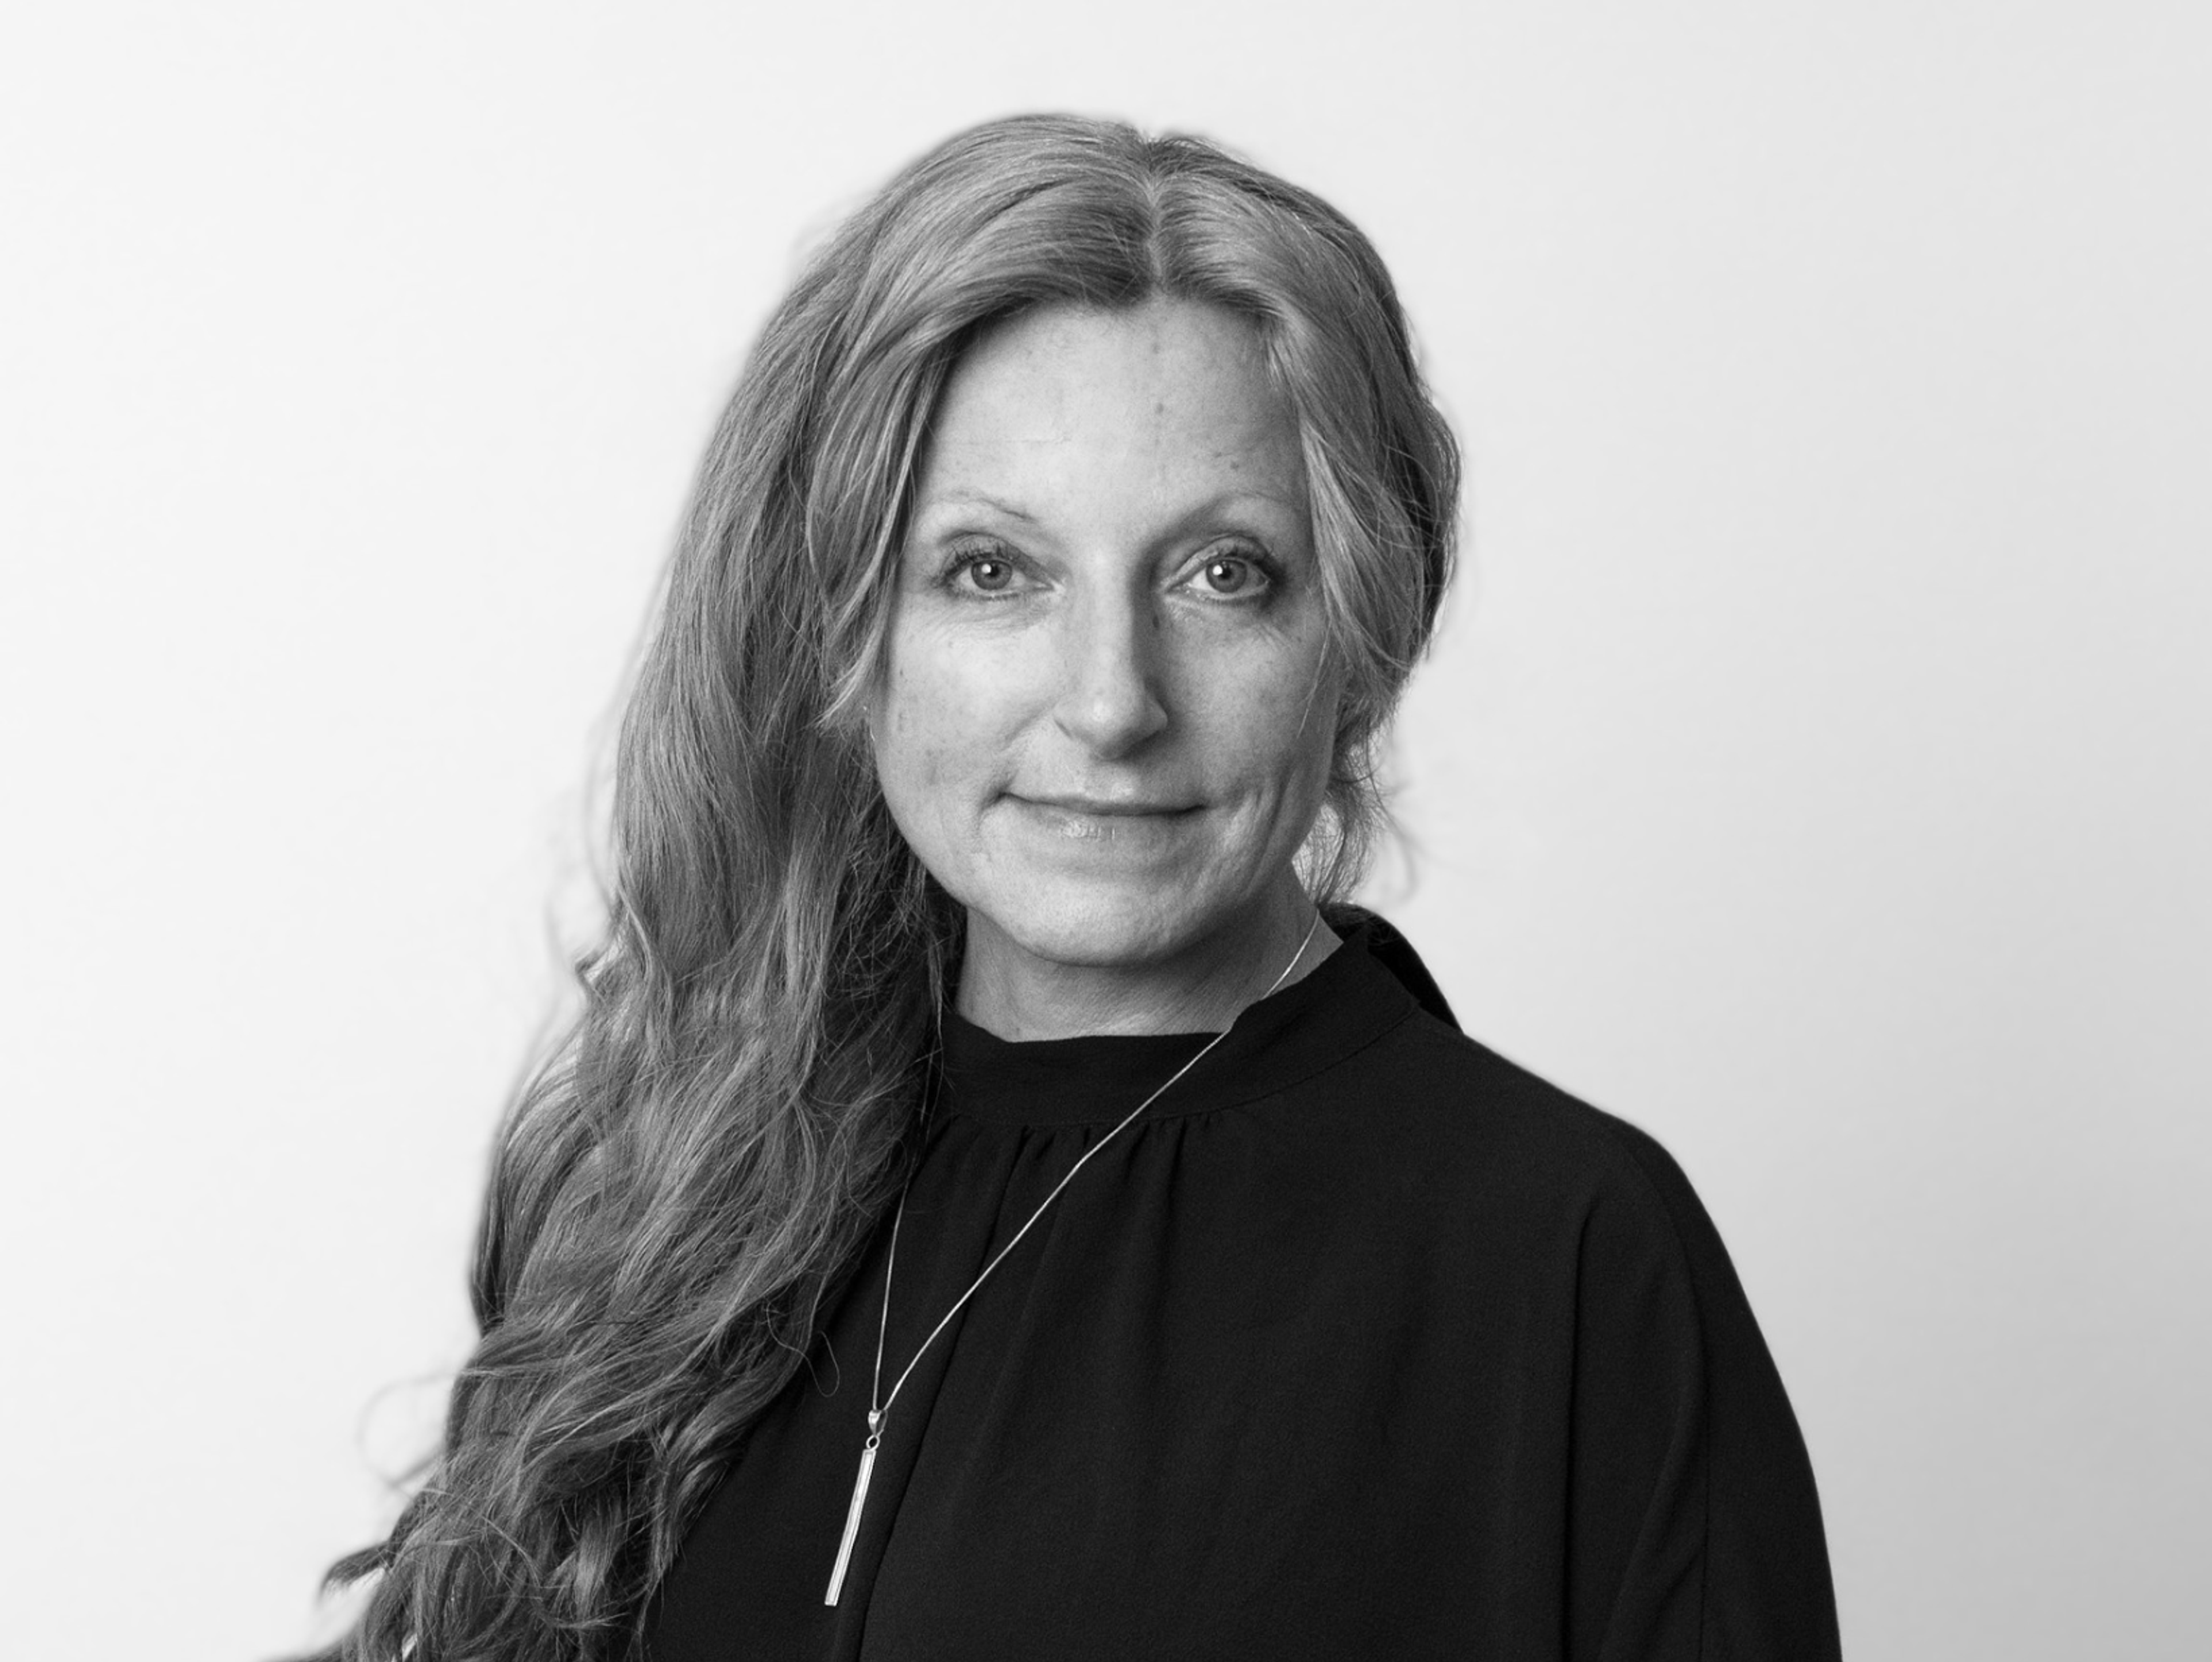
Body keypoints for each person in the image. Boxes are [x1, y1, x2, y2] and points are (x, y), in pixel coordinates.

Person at [313, 115, 1841, 1661]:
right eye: (993, 571)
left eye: (1223, 573)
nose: (1112, 701)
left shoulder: (1565, 1255)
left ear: (1359, 636)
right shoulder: (676, 1181)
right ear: (844, 630)